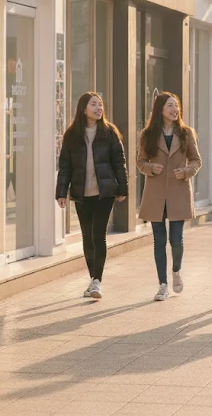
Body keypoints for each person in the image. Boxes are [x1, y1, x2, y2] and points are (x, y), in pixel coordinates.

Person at [56, 92, 128, 300]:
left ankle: (97, 281)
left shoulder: (109, 132)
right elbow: (65, 166)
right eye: (94, 104)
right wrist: (62, 192)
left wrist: (122, 189)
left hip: (103, 192)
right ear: (83, 109)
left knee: (98, 234)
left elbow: (119, 162)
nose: (99, 108)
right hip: (81, 193)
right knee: (87, 236)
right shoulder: (72, 135)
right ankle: (93, 279)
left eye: (100, 104)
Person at [137, 93, 201, 301]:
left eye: (176, 106)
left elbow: (196, 160)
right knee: (159, 241)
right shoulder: (148, 134)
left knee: (176, 240)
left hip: (178, 192)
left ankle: (176, 271)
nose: (175, 110)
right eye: (170, 106)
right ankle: (162, 285)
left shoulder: (185, 134)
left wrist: (186, 171)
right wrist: (150, 167)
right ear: (160, 109)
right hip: (155, 193)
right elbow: (140, 161)